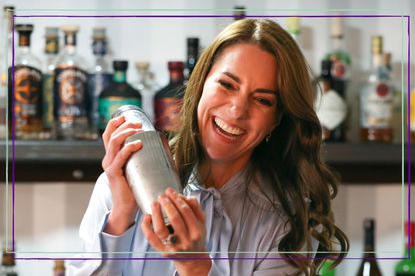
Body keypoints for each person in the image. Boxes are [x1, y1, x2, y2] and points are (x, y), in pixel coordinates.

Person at [69, 18, 349, 275]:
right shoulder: (124, 180)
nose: (238, 110)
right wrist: (120, 216)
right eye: (227, 84)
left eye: (262, 100)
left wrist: (196, 266)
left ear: (277, 120)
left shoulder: (283, 221)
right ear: (201, 83)